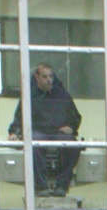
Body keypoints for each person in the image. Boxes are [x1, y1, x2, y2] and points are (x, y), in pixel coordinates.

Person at [9, 62, 83, 197]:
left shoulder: (62, 94)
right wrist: (14, 133)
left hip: (58, 132)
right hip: (38, 131)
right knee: (33, 144)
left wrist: (71, 128)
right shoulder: (29, 96)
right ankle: (41, 186)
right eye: (44, 76)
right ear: (37, 77)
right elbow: (19, 118)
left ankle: (62, 185)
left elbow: (75, 116)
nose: (49, 80)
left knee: (73, 146)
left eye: (50, 76)